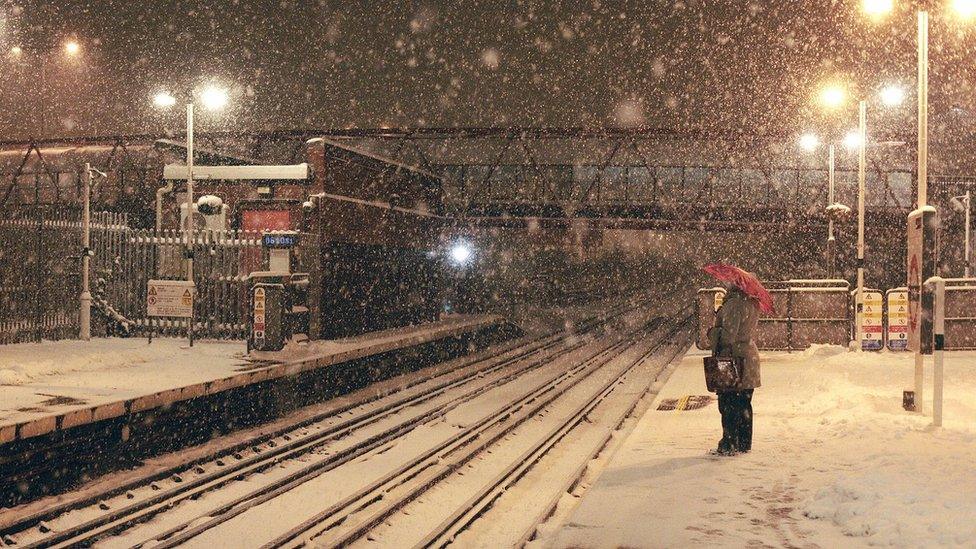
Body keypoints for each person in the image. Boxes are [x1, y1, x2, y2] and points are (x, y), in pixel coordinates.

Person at [709, 283, 761, 455]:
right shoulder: (752, 303)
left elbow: (728, 336)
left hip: (733, 360)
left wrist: (713, 332)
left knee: (728, 403)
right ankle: (744, 443)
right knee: (744, 403)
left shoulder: (734, 304)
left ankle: (729, 444)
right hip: (748, 357)